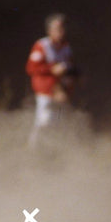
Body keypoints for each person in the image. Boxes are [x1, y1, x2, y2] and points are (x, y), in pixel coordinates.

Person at [25, 13, 76, 145]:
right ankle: (33, 151)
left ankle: (53, 153)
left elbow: (70, 68)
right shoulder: (42, 46)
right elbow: (31, 68)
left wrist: (73, 80)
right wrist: (51, 69)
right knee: (44, 122)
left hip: (62, 92)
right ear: (49, 30)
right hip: (46, 92)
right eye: (58, 29)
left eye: (63, 28)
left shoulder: (66, 47)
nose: (61, 32)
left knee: (60, 124)